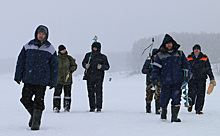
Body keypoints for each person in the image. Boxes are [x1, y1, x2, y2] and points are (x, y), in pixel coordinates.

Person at [14, 25, 58, 130]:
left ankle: (36, 123)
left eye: (43, 34)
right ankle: (35, 115)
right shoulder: (28, 46)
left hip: (42, 81)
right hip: (28, 79)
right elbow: (20, 62)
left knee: (39, 101)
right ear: (36, 34)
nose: (41, 35)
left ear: (46, 35)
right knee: (25, 99)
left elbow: (54, 66)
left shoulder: (50, 49)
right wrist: (18, 75)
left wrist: (53, 81)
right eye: (39, 33)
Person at [150, 34, 190, 122]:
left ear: (173, 43)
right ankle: (163, 115)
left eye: (170, 43)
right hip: (165, 82)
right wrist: (154, 78)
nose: (169, 45)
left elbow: (186, 65)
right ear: (164, 44)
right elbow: (156, 68)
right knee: (164, 99)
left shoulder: (180, 53)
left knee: (176, 100)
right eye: (167, 43)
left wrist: (187, 75)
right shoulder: (160, 55)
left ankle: (174, 117)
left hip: (177, 81)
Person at [187, 44, 216, 114]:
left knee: (201, 95)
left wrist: (212, 78)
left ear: (200, 50)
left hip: (201, 79)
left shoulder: (204, 58)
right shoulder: (189, 58)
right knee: (191, 93)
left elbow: (208, 68)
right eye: (195, 49)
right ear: (193, 50)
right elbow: (185, 68)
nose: (196, 50)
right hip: (192, 79)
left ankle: (198, 109)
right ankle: (190, 105)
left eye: (198, 49)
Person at [82, 42, 110, 113]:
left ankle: (98, 107)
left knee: (99, 92)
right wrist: (85, 65)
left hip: (99, 77)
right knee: (90, 93)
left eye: (96, 47)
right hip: (89, 77)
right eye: (93, 47)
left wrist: (101, 67)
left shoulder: (103, 57)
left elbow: (107, 66)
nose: (94, 49)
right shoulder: (88, 55)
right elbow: (83, 63)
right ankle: (92, 107)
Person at [53, 45, 77, 113]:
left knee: (67, 94)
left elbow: (74, 66)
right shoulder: (56, 58)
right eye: (62, 50)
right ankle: (56, 107)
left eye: (64, 49)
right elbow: (52, 66)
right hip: (58, 80)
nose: (63, 51)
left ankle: (67, 107)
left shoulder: (69, 58)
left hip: (68, 79)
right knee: (57, 94)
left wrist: (71, 69)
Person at [142, 48, 161, 114]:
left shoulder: (161, 61)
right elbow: (143, 70)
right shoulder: (148, 61)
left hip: (158, 80)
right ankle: (148, 108)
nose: (156, 55)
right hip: (150, 80)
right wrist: (149, 70)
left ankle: (158, 109)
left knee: (158, 95)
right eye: (155, 54)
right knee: (149, 94)